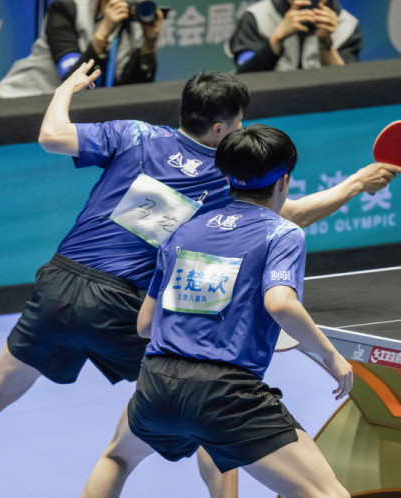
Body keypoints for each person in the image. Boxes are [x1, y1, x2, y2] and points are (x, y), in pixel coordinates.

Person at [0, 62, 401, 498]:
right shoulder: (223, 177)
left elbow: (51, 136)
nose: (241, 130)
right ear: (220, 128)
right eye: (238, 123)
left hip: (59, 281)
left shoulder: (135, 134)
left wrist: (64, 89)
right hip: (120, 302)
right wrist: (356, 183)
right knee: (203, 398)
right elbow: (284, 214)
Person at [82, 124, 352, 498]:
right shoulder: (282, 233)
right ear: (283, 182)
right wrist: (331, 355)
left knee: (118, 457)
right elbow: (280, 304)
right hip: (226, 394)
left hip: (157, 382)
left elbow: (145, 325)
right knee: (326, 493)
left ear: (227, 177)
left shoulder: (182, 231)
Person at [0, 0, 163, 99]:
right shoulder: (66, 8)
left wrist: (149, 44)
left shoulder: (134, 21)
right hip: (23, 101)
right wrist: (103, 33)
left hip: (73, 114)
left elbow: (132, 93)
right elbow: (71, 79)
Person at [228, 0, 361, 74]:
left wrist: (325, 43)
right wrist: (275, 40)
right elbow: (245, 77)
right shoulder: (257, 17)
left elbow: (349, 86)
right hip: (268, 107)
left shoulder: (347, 25)